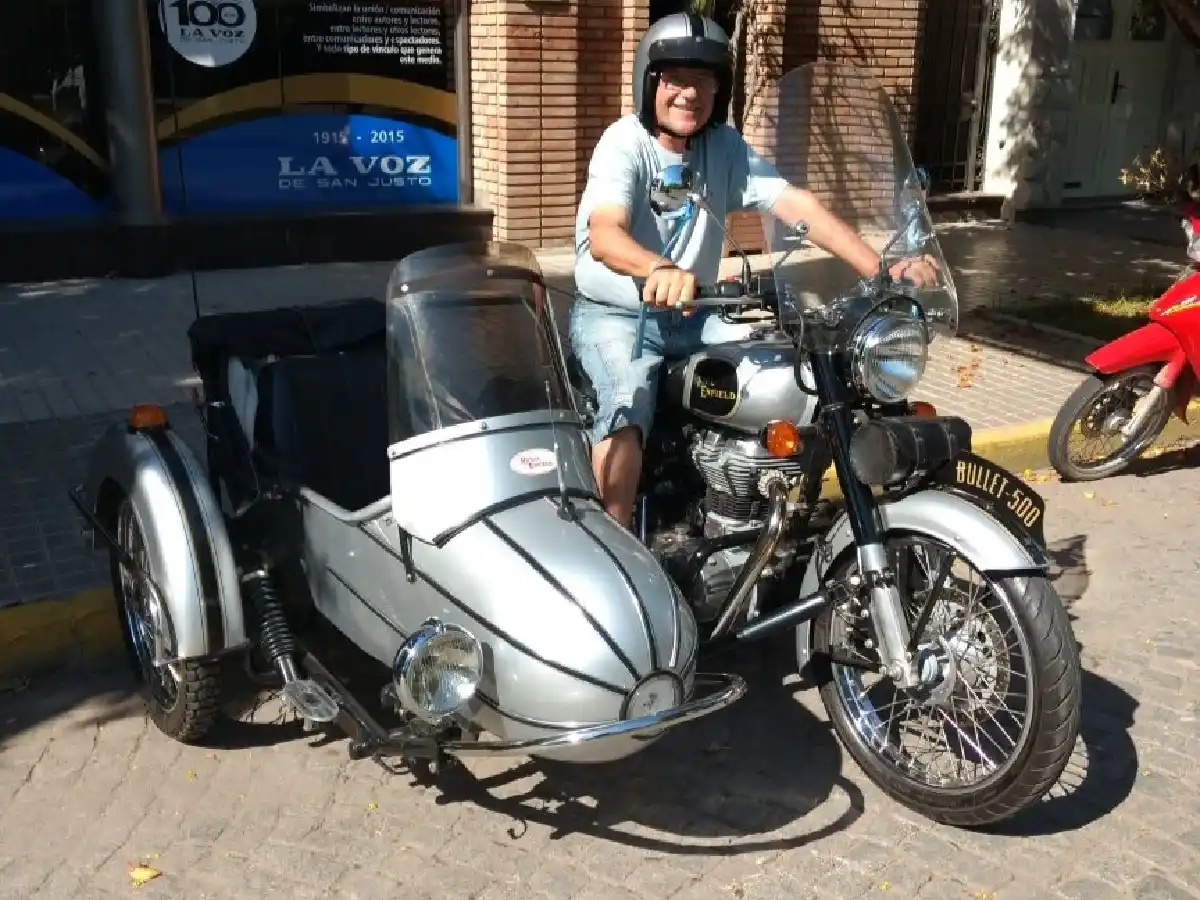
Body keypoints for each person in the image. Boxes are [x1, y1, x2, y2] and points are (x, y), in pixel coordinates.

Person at [569, 12, 938, 529]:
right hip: (622, 318)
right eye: (676, 78)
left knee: (789, 372)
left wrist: (883, 269)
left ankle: (760, 510)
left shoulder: (724, 146)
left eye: (704, 80)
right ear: (649, 81)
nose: (689, 93)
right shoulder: (623, 142)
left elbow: (798, 206)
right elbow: (605, 232)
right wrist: (657, 266)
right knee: (626, 414)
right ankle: (616, 544)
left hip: (696, 313)